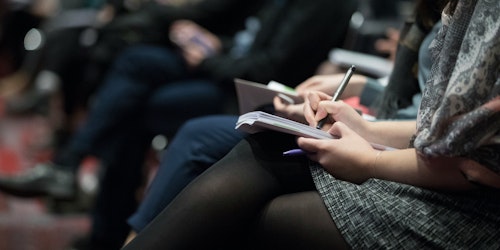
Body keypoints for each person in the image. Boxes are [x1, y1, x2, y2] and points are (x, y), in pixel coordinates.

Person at [123, 0, 500, 249]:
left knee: (247, 212)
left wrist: (370, 158)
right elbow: (441, 129)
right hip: (433, 164)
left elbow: (477, 164)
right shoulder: (462, 8)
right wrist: (363, 127)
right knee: (260, 146)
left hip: (474, 211)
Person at [0, 0, 358, 249]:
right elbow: (245, 36)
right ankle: (83, 189)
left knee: (139, 108)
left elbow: (267, 69)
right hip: (225, 67)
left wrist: (210, 56)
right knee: (135, 61)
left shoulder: (323, 4)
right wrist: (213, 44)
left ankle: (104, 222)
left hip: (254, 94)